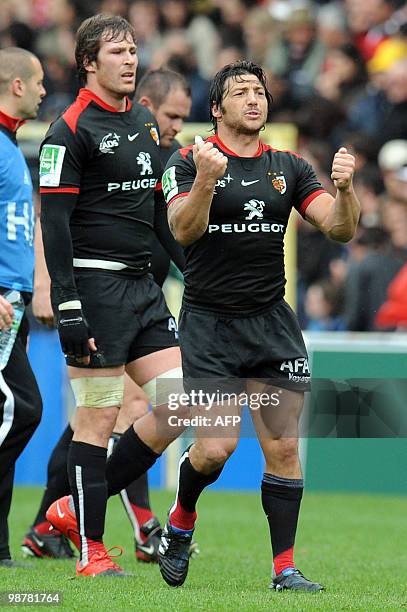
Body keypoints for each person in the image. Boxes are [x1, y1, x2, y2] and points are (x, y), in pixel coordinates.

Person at [158, 60, 360, 591]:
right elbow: (183, 229)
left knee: (285, 449)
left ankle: (284, 569)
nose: (254, 99)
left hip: (272, 323)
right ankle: (180, 520)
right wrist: (206, 180)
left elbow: (339, 228)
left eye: (260, 91)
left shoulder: (290, 166)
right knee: (216, 449)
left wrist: (346, 191)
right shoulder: (187, 160)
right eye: (240, 92)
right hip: (210, 325)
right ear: (217, 108)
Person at [22, 67, 192, 563]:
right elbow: (52, 221)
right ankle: (91, 551)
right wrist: (65, 302)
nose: (129, 59)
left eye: (133, 49)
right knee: (95, 421)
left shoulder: (141, 120)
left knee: (182, 402)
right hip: (96, 295)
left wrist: (194, 273)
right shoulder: (68, 129)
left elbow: (160, 211)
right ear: (90, 62)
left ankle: (71, 509)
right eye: (117, 50)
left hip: (143, 292)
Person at [0, 47, 45, 567]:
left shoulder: (11, 145)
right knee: (21, 409)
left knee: (7, 411)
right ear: (15, 86)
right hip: (2, 299)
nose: (41, 90)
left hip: (14, 299)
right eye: (35, 83)